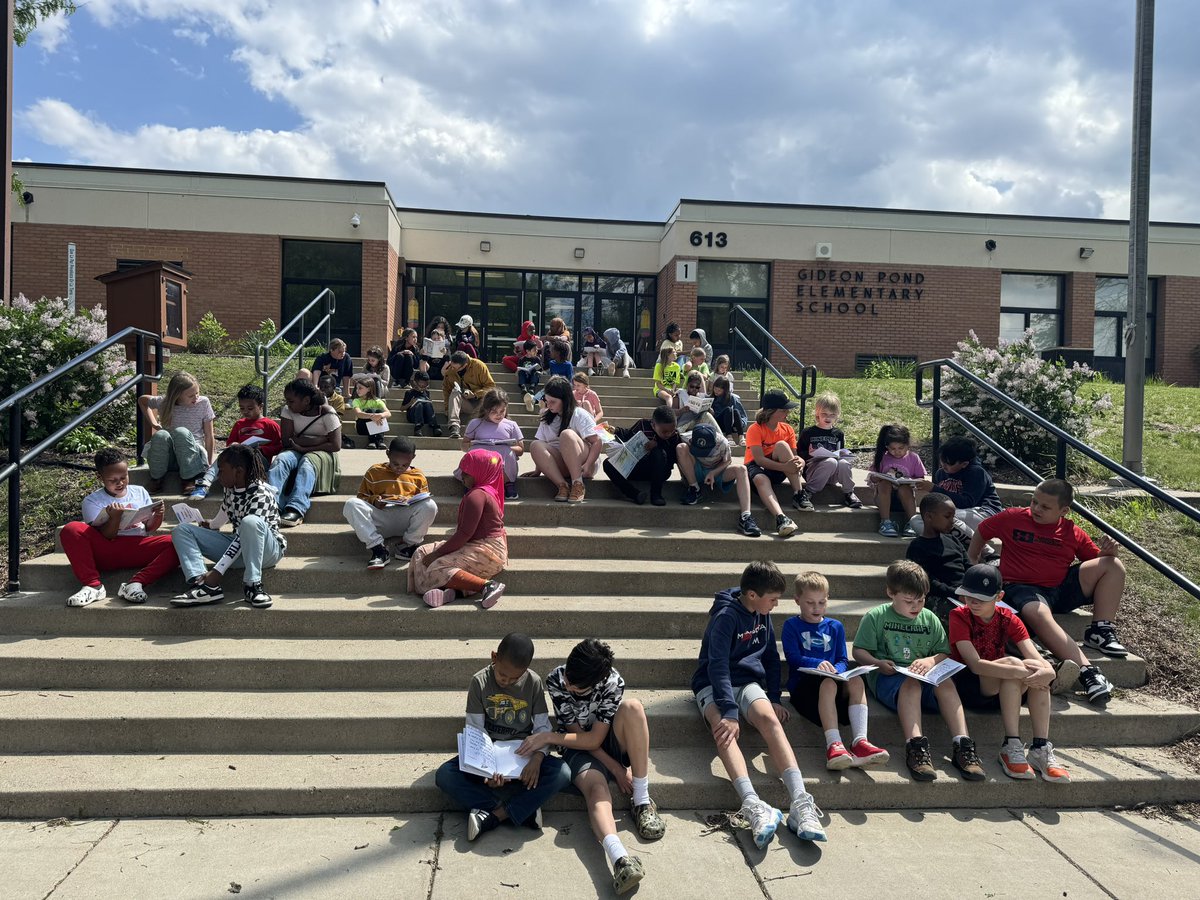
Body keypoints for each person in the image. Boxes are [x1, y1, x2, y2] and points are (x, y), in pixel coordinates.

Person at [691, 560, 827, 847]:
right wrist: (729, 712)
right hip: (712, 683)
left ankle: (800, 802)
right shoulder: (726, 616)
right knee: (722, 728)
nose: (776, 605)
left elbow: (769, 658)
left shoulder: (762, 613)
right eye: (773, 599)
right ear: (752, 595)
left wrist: (774, 697)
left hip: (747, 682)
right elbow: (717, 666)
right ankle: (753, 804)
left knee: (769, 719)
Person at [519, 640, 666, 895]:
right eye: (567, 678)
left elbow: (596, 738)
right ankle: (620, 860)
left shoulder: (613, 682)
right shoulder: (556, 679)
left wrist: (548, 737)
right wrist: (616, 769)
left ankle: (642, 800)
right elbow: (580, 737)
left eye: (575, 686)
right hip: (575, 746)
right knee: (597, 791)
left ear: (596, 681)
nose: (567, 685)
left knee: (633, 707)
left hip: (607, 738)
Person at [970, 478, 1127, 705]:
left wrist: (1109, 552)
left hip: (1058, 589)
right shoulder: (1012, 517)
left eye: (1045, 506)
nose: (1036, 509)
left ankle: (1100, 631)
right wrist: (972, 560)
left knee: (1113, 565)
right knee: (1038, 611)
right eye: (1034, 502)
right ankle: (1088, 672)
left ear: (1064, 511)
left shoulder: (1072, 532)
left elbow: (1095, 561)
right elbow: (982, 530)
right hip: (1020, 588)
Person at [851, 560, 985, 783]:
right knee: (911, 685)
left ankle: (963, 744)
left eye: (921, 600)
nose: (916, 606)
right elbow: (858, 651)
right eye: (909, 601)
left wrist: (931, 660)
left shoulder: (929, 618)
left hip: (925, 678)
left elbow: (944, 652)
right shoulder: (876, 616)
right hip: (889, 679)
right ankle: (916, 748)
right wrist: (877, 662)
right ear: (891, 593)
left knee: (946, 683)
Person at [434, 633, 572, 841]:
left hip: (524, 754)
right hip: (488, 753)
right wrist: (485, 770)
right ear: (494, 657)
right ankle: (520, 810)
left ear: (526, 670)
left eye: (515, 678)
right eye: (502, 675)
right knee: (445, 775)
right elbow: (475, 730)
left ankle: (493, 816)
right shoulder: (479, 682)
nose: (507, 682)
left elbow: (543, 728)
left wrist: (537, 759)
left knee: (563, 773)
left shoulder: (533, 682)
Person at [949, 564, 1070, 783]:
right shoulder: (959, 616)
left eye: (981, 598)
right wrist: (1020, 670)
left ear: (999, 597)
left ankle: (1040, 747)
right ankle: (1011, 744)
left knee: (1036, 672)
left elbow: (1037, 658)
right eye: (968, 596)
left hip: (1005, 689)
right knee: (1018, 665)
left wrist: (1048, 673)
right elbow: (975, 665)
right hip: (972, 686)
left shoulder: (1009, 618)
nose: (973, 602)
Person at [782, 571, 888, 769]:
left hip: (831, 685)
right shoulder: (791, 625)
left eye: (821, 602)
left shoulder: (835, 627)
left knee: (856, 680)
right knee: (829, 683)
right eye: (810, 603)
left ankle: (860, 742)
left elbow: (842, 659)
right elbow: (792, 657)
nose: (816, 608)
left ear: (827, 599)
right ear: (797, 600)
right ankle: (834, 744)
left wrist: (838, 671)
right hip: (805, 691)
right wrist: (817, 663)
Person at [171, 444, 286, 609]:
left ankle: (253, 585)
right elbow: (226, 511)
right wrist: (211, 525)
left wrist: (217, 571)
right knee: (182, 530)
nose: (218, 476)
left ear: (238, 471)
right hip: (239, 548)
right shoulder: (231, 488)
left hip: (267, 552)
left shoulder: (261, 494)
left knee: (250, 522)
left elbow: (246, 533)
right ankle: (203, 586)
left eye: (221, 471)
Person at [61, 447, 178, 607]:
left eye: (124, 477)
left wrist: (158, 515)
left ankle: (136, 583)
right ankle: (93, 586)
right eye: (113, 480)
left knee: (179, 541)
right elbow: (107, 535)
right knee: (71, 529)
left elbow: (149, 528)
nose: (120, 483)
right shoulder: (92, 501)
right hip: (106, 550)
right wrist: (115, 518)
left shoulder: (140, 492)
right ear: (100, 477)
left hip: (137, 545)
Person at [409, 448, 508, 609]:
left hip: (488, 551)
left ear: (480, 472)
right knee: (421, 552)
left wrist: (437, 554)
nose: (462, 475)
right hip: (478, 546)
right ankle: (450, 592)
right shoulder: (484, 491)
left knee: (437, 564)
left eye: (467, 473)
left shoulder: (477, 495)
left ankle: (487, 586)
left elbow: (464, 534)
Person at [342, 436, 437, 569]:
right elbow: (361, 497)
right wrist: (374, 500)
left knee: (430, 505)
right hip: (380, 519)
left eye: (404, 465)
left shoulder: (418, 476)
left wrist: (410, 500)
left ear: (413, 458)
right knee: (351, 504)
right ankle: (379, 550)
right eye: (395, 464)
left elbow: (423, 500)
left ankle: (407, 546)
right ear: (388, 454)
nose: (399, 468)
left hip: (406, 521)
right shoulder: (374, 471)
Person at [268, 378, 342, 528]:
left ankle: (296, 508)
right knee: (281, 459)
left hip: (323, 452)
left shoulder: (328, 413)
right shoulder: (288, 411)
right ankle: (271, 503)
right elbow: (287, 441)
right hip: (298, 448)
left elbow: (335, 445)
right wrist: (319, 439)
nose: (288, 404)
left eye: (291, 401)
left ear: (306, 400)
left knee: (307, 462)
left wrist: (304, 446)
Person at [190, 384, 282, 500]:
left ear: (260, 406)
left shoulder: (270, 425)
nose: (245, 411)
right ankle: (205, 483)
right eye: (242, 408)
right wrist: (233, 445)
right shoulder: (239, 424)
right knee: (226, 455)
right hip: (239, 459)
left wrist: (263, 449)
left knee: (250, 455)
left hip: (259, 461)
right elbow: (230, 443)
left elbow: (280, 446)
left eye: (250, 408)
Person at [675, 423, 761, 537]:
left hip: (717, 471)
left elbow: (728, 461)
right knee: (680, 447)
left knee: (742, 469)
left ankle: (746, 517)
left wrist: (714, 472)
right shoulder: (685, 437)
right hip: (696, 469)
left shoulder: (723, 443)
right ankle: (694, 488)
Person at [138, 371, 215, 495]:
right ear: (177, 395)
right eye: (190, 396)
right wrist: (153, 423)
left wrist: (209, 463)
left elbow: (209, 435)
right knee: (161, 435)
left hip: (193, 457)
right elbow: (142, 400)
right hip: (170, 458)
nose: (196, 397)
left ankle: (189, 479)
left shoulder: (203, 403)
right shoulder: (164, 402)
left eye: (197, 393)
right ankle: (156, 479)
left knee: (181, 432)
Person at [910, 435, 1002, 538]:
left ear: (964, 464)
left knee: (945, 519)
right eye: (942, 461)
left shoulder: (977, 473)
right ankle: (948, 540)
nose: (943, 465)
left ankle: (980, 546)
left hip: (983, 513)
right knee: (916, 520)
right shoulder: (941, 473)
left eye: (948, 463)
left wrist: (934, 489)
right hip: (955, 514)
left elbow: (967, 502)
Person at [530, 375, 602, 504]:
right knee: (535, 445)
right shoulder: (547, 417)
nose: (548, 405)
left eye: (553, 402)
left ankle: (578, 484)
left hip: (584, 464)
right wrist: (538, 469)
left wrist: (588, 464)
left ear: (564, 399)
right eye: (547, 400)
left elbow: (597, 441)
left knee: (567, 434)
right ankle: (562, 485)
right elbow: (543, 443)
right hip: (563, 464)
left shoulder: (579, 414)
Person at [744, 389, 805, 538]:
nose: (787, 413)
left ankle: (799, 494)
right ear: (770, 411)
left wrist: (801, 461)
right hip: (755, 467)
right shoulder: (755, 429)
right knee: (760, 478)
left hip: (778, 469)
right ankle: (781, 518)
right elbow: (759, 460)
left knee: (782, 445)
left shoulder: (787, 429)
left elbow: (794, 456)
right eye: (783, 410)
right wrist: (785, 467)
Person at [905, 492, 971, 622]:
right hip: (940, 596)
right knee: (962, 617)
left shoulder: (953, 540)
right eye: (947, 516)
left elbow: (969, 567)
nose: (952, 521)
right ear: (929, 516)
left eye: (953, 516)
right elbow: (927, 582)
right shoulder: (917, 547)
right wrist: (957, 594)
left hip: (964, 593)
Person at [602, 406, 681, 507]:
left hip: (660, 473)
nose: (668, 434)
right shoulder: (643, 425)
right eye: (664, 432)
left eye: (671, 431)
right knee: (607, 463)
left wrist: (659, 444)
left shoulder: (675, 435)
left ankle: (656, 495)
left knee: (658, 453)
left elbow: (674, 458)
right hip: (636, 468)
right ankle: (635, 494)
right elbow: (628, 435)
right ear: (653, 425)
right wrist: (616, 430)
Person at [796, 391, 861, 511]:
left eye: (832, 415)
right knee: (830, 462)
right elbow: (799, 453)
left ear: (837, 415)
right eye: (824, 414)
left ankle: (849, 493)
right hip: (814, 472)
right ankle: (808, 491)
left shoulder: (838, 434)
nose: (828, 417)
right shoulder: (808, 432)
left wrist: (844, 455)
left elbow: (840, 452)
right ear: (817, 413)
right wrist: (808, 454)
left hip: (833, 474)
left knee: (843, 463)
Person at [461, 389, 524, 502]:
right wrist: (473, 446)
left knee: (507, 451)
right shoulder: (475, 423)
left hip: (501, 464)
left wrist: (506, 447)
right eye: (494, 411)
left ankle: (507, 483)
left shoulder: (511, 425)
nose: (499, 415)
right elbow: (463, 446)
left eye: (502, 411)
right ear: (486, 409)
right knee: (474, 451)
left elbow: (521, 450)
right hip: (481, 464)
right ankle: (472, 483)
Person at [869, 424, 929, 537]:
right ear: (887, 447)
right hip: (883, 500)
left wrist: (911, 481)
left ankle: (912, 523)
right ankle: (885, 522)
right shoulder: (882, 457)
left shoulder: (913, 458)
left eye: (901, 448)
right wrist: (877, 477)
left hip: (905, 500)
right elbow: (872, 477)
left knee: (904, 488)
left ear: (907, 445)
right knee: (884, 484)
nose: (897, 452)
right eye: (893, 449)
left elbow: (920, 478)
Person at [442, 350, 496, 440]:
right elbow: (446, 391)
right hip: (463, 402)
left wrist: (475, 394)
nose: (453, 369)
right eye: (452, 366)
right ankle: (454, 427)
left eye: (456, 368)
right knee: (454, 392)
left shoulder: (479, 366)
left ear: (465, 365)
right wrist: (447, 408)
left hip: (480, 405)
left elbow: (491, 387)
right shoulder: (449, 371)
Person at [349, 375, 391, 450]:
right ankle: (372, 441)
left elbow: (388, 413)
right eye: (357, 388)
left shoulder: (377, 401)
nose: (357, 390)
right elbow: (358, 414)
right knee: (370, 411)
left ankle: (380, 440)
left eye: (360, 388)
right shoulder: (356, 401)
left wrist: (380, 415)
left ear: (368, 389)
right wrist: (372, 416)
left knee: (379, 411)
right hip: (362, 427)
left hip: (377, 428)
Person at [401, 370, 442, 437]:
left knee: (428, 404)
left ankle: (435, 427)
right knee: (419, 404)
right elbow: (402, 408)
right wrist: (411, 403)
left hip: (424, 416)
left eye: (425, 385)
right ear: (415, 382)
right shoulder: (410, 393)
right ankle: (418, 428)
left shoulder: (427, 393)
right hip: (413, 416)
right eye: (421, 385)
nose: (423, 387)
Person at [710, 375, 747, 443]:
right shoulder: (711, 398)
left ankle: (741, 437)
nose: (716, 392)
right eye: (715, 389)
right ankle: (729, 436)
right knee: (728, 409)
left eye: (719, 390)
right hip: (718, 423)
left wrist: (739, 424)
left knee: (735, 410)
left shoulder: (732, 398)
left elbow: (742, 415)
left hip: (731, 424)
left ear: (725, 391)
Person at [516, 340, 544, 413]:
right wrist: (518, 371)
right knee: (521, 372)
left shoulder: (537, 359)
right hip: (525, 376)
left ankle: (532, 387)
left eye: (537, 349)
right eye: (534, 350)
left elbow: (541, 371)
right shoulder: (522, 359)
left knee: (535, 372)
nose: (536, 351)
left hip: (533, 377)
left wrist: (539, 371)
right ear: (527, 351)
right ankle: (523, 387)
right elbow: (518, 370)